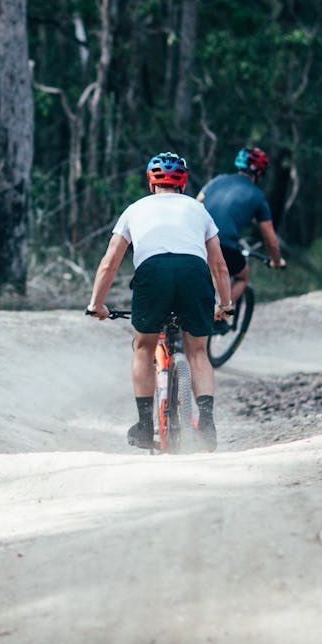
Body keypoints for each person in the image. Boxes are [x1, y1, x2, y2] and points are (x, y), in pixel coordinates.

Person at [87, 152, 233, 452]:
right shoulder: (198, 209)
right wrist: (225, 303)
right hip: (194, 273)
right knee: (197, 351)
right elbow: (218, 265)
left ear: (151, 183)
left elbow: (109, 263)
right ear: (183, 183)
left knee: (143, 346)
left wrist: (96, 304)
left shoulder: (134, 209)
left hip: (153, 273)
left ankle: (144, 426)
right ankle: (206, 422)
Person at [196, 146, 286, 318]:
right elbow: (271, 241)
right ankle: (220, 314)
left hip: (194, 239)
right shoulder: (258, 196)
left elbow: (196, 203)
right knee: (243, 275)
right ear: (259, 172)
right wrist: (276, 261)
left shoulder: (217, 180)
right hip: (223, 245)